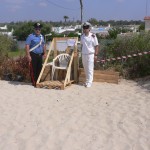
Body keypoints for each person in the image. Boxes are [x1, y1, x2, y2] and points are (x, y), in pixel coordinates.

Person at [25, 22, 46, 86]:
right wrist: (28, 55)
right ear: (34, 29)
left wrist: (45, 53)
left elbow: (43, 45)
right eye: (37, 29)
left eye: (39, 29)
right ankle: (34, 82)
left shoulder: (41, 36)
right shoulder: (30, 37)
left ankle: (38, 81)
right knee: (33, 69)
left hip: (40, 55)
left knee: (39, 68)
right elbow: (27, 46)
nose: (38, 30)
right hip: (33, 54)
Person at [81, 22, 99, 88]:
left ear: (89, 28)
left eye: (86, 28)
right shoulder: (82, 36)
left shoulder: (93, 36)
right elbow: (82, 45)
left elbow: (96, 45)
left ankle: (90, 82)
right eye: (84, 28)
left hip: (90, 54)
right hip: (84, 54)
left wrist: (96, 55)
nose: (85, 29)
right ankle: (87, 80)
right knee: (85, 68)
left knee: (90, 68)